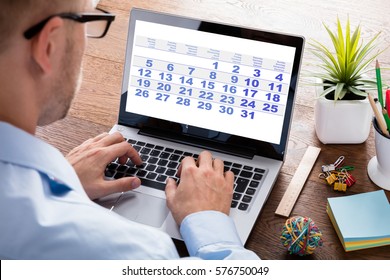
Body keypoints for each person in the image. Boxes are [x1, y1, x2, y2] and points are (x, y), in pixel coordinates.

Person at [0, 0, 259, 260]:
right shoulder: (137, 253)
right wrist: (209, 223)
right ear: (49, 45)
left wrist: (61, 182)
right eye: (85, 20)